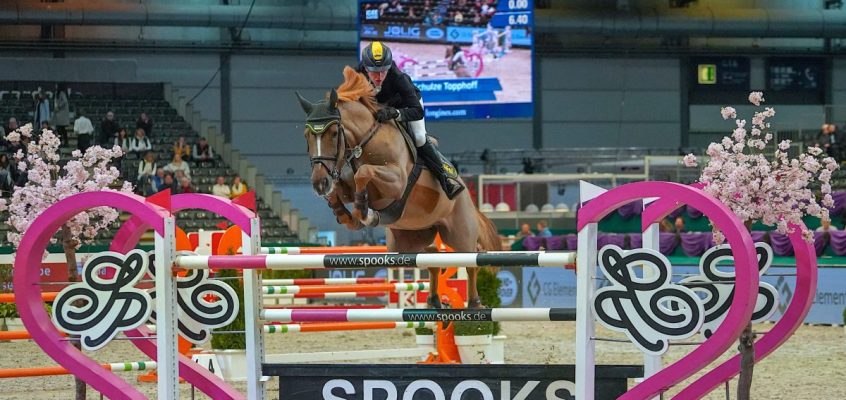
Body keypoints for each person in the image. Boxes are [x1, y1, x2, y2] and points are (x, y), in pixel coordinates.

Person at [357, 41, 463, 199]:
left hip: (406, 106)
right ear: (365, 68)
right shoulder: (357, 72)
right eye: (374, 72)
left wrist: (396, 113)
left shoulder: (399, 78)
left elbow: (417, 111)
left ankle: (446, 179)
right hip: (379, 106)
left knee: (419, 137)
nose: (379, 77)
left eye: (383, 71)